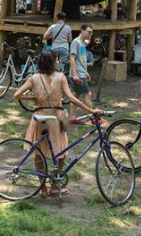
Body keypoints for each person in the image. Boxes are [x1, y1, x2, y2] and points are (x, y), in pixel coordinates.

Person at [13, 50, 99, 197]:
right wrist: (90, 110)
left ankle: (42, 188)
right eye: (57, 60)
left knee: (39, 153)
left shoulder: (34, 77)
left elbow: (17, 95)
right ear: (53, 62)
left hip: (39, 116)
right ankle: (54, 185)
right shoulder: (60, 77)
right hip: (55, 117)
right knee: (61, 151)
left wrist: (34, 97)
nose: (59, 62)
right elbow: (71, 98)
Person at [68, 25, 94, 124]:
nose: (90, 34)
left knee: (75, 96)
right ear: (82, 31)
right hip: (78, 75)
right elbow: (72, 58)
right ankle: (93, 118)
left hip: (82, 73)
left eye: (91, 32)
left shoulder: (82, 43)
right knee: (88, 94)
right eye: (89, 32)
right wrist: (75, 75)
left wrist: (86, 72)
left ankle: (72, 117)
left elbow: (81, 61)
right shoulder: (76, 42)